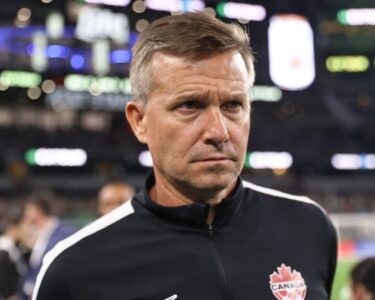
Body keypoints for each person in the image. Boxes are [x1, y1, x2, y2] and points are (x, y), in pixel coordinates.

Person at [33, 12, 337, 300]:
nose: (219, 131)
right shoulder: (75, 269)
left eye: (233, 105)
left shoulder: (309, 226)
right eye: (190, 105)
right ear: (139, 121)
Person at [20, 191, 76, 300]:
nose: (26, 214)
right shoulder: (40, 234)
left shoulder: (65, 233)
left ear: (38, 211)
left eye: (28, 210)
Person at [0, 207, 26, 300]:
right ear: (14, 227)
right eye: (24, 227)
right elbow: (2, 278)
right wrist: (9, 296)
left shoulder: (13, 247)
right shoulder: (4, 249)